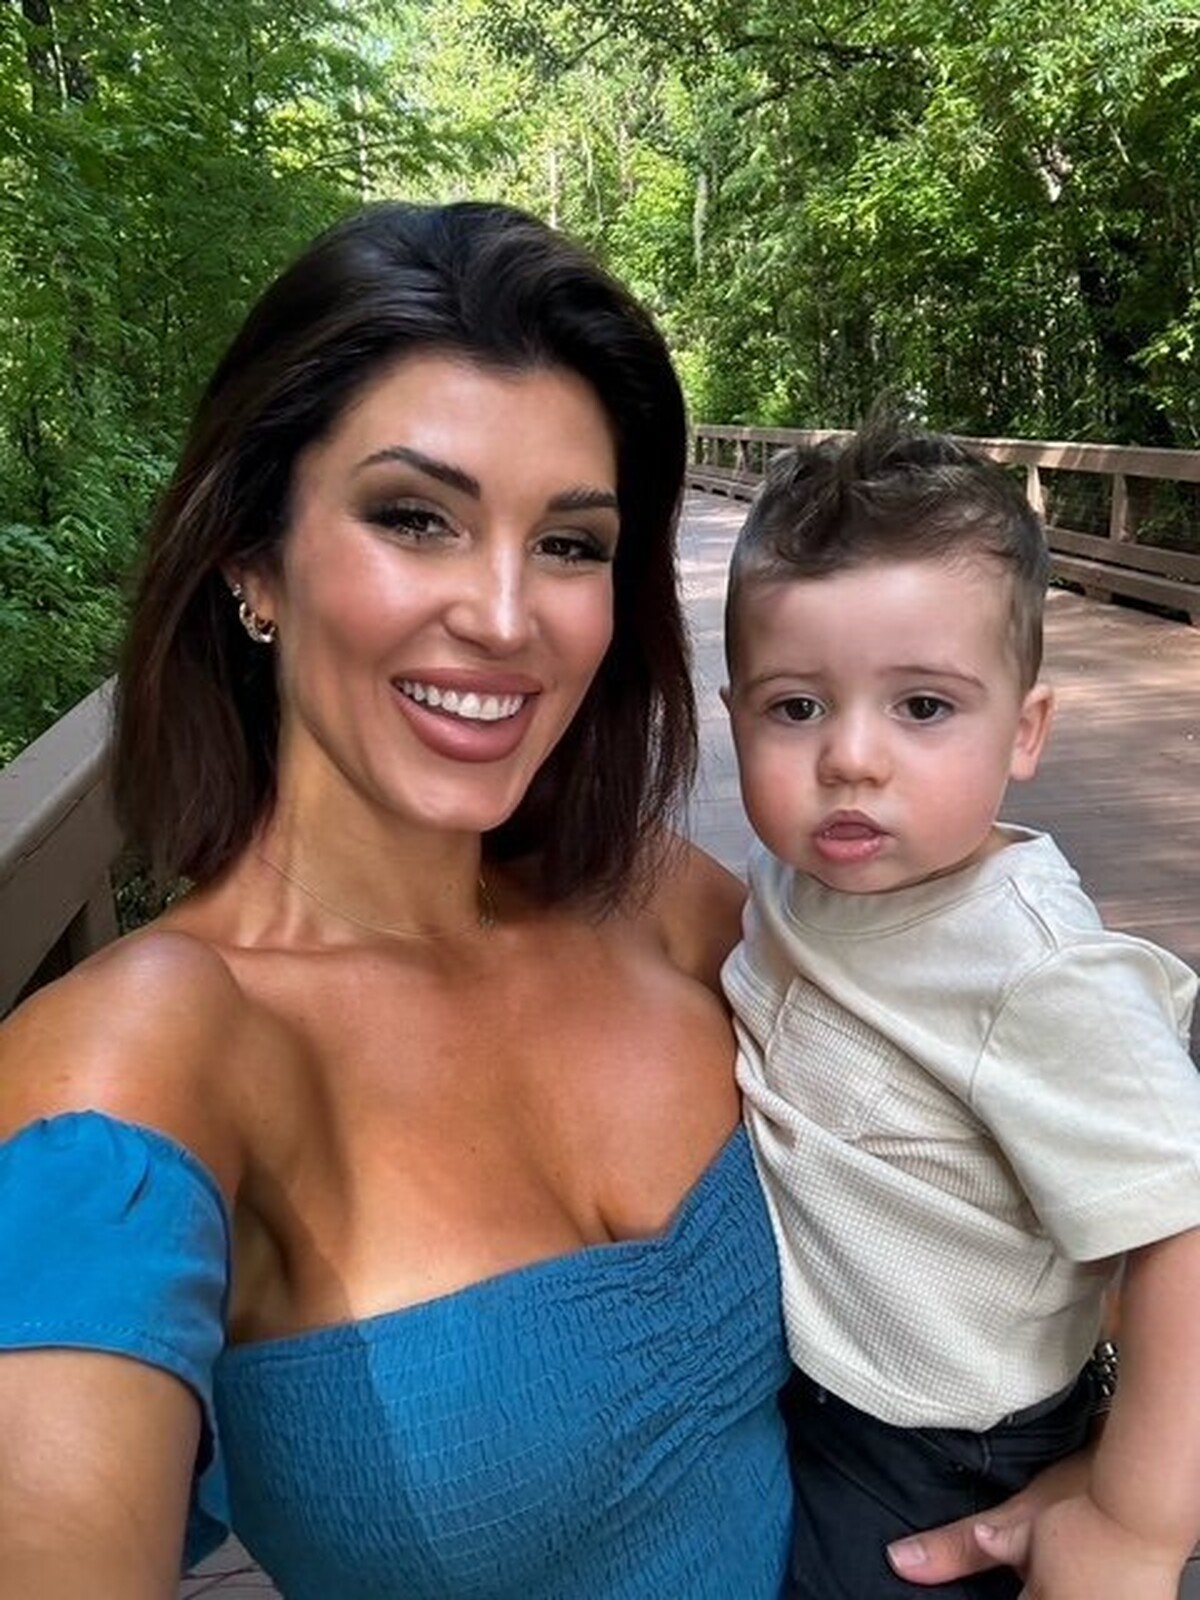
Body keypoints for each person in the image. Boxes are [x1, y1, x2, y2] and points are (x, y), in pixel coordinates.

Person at [0, 200, 1079, 1600]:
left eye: (570, 544)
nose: (507, 618)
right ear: (253, 561)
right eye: (416, 518)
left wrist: (1107, 1470)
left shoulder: (654, 896)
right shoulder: (146, 1054)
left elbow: (1036, 1103)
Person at [720, 419, 1200, 1600]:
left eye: (923, 708)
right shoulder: (791, 883)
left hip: (946, 1447)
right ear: (734, 713)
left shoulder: (1033, 972)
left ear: (1025, 730)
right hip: (814, 1389)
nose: (850, 758)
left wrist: (1134, 1526)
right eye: (796, 709)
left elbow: (1184, 1230)